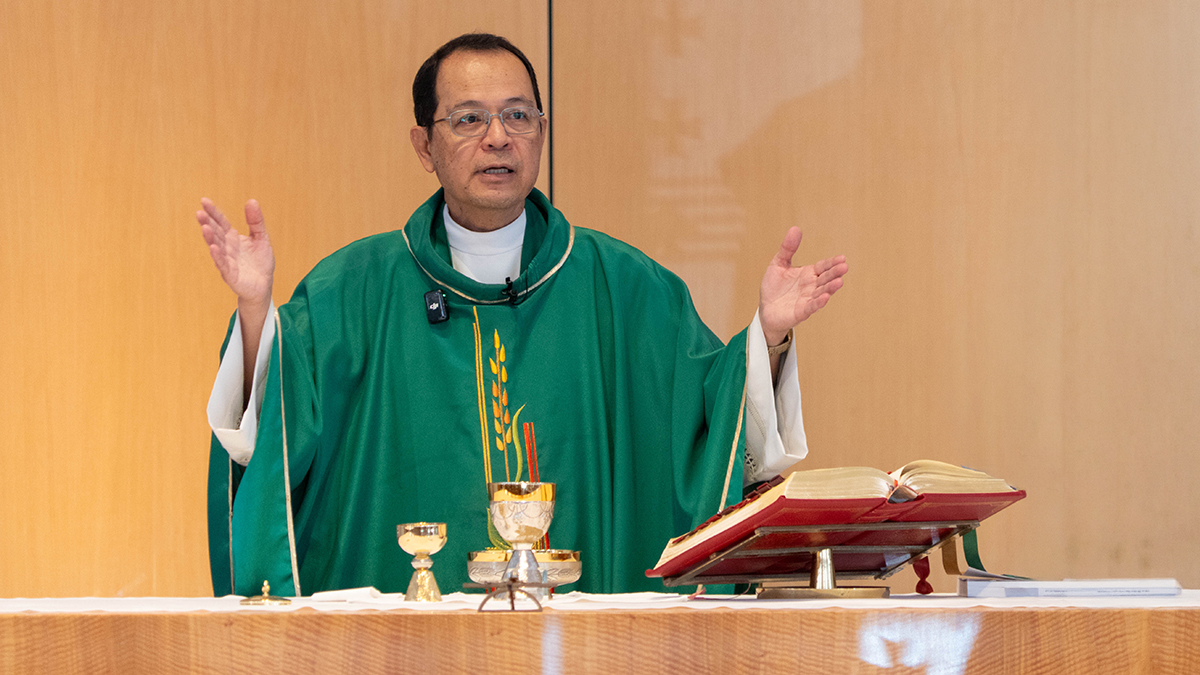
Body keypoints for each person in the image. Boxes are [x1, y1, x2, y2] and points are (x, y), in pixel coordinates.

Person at [198, 33, 847, 597]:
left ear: (541, 131)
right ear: (424, 146)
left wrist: (768, 335)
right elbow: (272, 430)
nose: (498, 137)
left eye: (518, 115)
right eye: (469, 119)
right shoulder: (350, 292)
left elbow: (714, 427)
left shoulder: (627, 289)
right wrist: (255, 315)